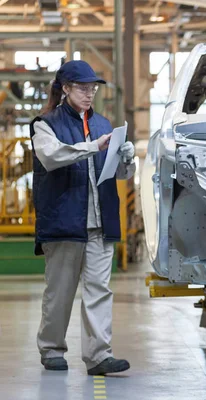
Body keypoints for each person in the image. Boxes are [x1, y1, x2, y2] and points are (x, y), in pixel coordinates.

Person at [30, 60, 134, 375]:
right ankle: (51, 349)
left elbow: (120, 174)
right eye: (82, 88)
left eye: (92, 88)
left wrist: (126, 160)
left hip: (101, 223)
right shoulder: (45, 124)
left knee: (99, 289)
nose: (89, 94)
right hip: (63, 221)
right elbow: (51, 156)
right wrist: (92, 147)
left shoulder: (104, 125)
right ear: (65, 88)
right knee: (60, 291)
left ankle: (99, 355)